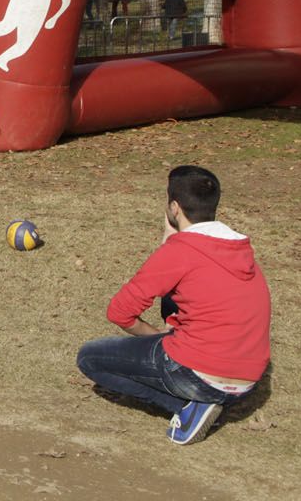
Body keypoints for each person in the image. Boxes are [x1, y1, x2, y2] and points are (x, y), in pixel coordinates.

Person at [76, 166, 271, 445]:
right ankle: (208, 397)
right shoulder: (239, 249)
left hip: (200, 374)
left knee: (89, 358)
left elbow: (119, 312)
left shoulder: (179, 252)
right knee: (175, 294)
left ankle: (189, 407)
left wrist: (157, 337)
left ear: (174, 207)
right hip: (247, 380)